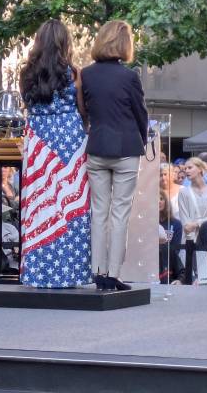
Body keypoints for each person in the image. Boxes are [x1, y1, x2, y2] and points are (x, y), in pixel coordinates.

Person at [19, 19, 92, 288]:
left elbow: (28, 105)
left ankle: (40, 272)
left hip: (39, 142)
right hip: (70, 142)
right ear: (65, 43)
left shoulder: (26, 74)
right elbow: (82, 110)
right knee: (71, 204)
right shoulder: (73, 73)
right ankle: (70, 271)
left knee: (40, 205)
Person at [82, 19, 148, 291]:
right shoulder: (130, 76)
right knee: (120, 213)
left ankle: (97, 272)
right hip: (125, 149)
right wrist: (141, 141)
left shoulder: (85, 74)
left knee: (98, 212)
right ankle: (113, 273)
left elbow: (83, 109)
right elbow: (140, 113)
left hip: (96, 147)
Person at [178, 157, 207, 284]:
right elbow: (185, 220)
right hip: (190, 238)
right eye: (185, 169)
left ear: (200, 169)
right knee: (189, 273)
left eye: (190, 167)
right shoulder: (184, 192)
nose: (187, 171)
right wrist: (190, 228)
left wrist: (197, 224)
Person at [159, 191, 184, 284]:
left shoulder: (176, 223)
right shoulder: (148, 222)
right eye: (156, 199)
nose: (158, 202)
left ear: (166, 201)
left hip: (169, 263)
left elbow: (175, 249)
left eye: (161, 199)